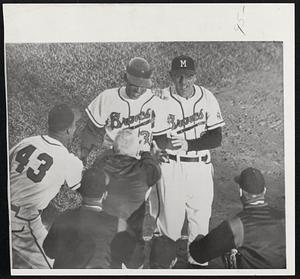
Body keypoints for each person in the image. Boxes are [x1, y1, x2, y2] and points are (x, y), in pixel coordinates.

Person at [149, 55, 225, 266]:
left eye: (189, 76)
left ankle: (197, 263)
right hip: (172, 167)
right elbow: (157, 136)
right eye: (179, 77)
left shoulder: (207, 97)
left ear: (195, 75)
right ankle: (166, 262)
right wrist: (169, 145)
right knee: (169, 224)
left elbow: (216, 137)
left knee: (201, 222)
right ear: (171, 76)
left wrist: (188, 144)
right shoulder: (160, 98)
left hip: (200, 168)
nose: (184, 82)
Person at [9, 104, 83, 269]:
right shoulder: (69, 161)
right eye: (75, 124)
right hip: (22, 223)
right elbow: (85, 190)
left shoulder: (27, 142)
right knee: (53, 266)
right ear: (68, 130)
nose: (75, 127)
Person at [189, 167, 286, 269]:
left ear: (240, 192)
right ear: (264, 191)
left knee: (230, 249)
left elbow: (199, 254)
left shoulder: (236, 226)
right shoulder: (285, 220)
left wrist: (198, 239)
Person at [80, 56, 162, 164]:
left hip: (143, 161)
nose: (138, 90)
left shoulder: (156, 99)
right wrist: (83, 156)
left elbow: (162, 132)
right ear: (125, 78)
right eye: (134, 84)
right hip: (113, 158)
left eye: (143, 86)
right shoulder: (108, 97)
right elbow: (91, 131)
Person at [43, 167, 119, 269]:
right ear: (105, 195)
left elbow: (49, 251)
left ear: (80, 193)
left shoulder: (63, 217)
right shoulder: (117, 223)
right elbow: (133, 262)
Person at [92, 128, 161, 232]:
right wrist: (146, 153)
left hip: (105, 227)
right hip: (131, 233)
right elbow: (154, 169)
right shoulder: (145, 170)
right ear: (136, 149)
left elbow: (101, 158)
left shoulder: (102, 165)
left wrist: (116, 148)